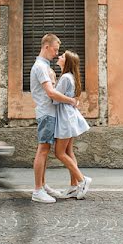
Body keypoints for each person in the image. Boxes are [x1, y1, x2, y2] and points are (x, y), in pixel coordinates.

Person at [30, 33, 80, 203]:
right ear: (46, 47)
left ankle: (43, 186)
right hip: (46, 113)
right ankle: (37, 190)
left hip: (50, 113)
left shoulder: (45, 67)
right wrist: (72, 101)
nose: (57, 53)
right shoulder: (40, 67)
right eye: (55, 49)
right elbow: (51, 94)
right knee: (43, 150)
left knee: (46, 150)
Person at [51, 51, 91, 199]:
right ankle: (74, 186)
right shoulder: (71, 77)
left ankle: (82, 179)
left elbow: (55, 99)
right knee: (68, 152)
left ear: (66, 62)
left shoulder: (65, 78)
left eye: (62, 56)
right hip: (69, 116)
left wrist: (52, 87)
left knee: (59, 153)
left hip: (65, 118)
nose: (59, 57)